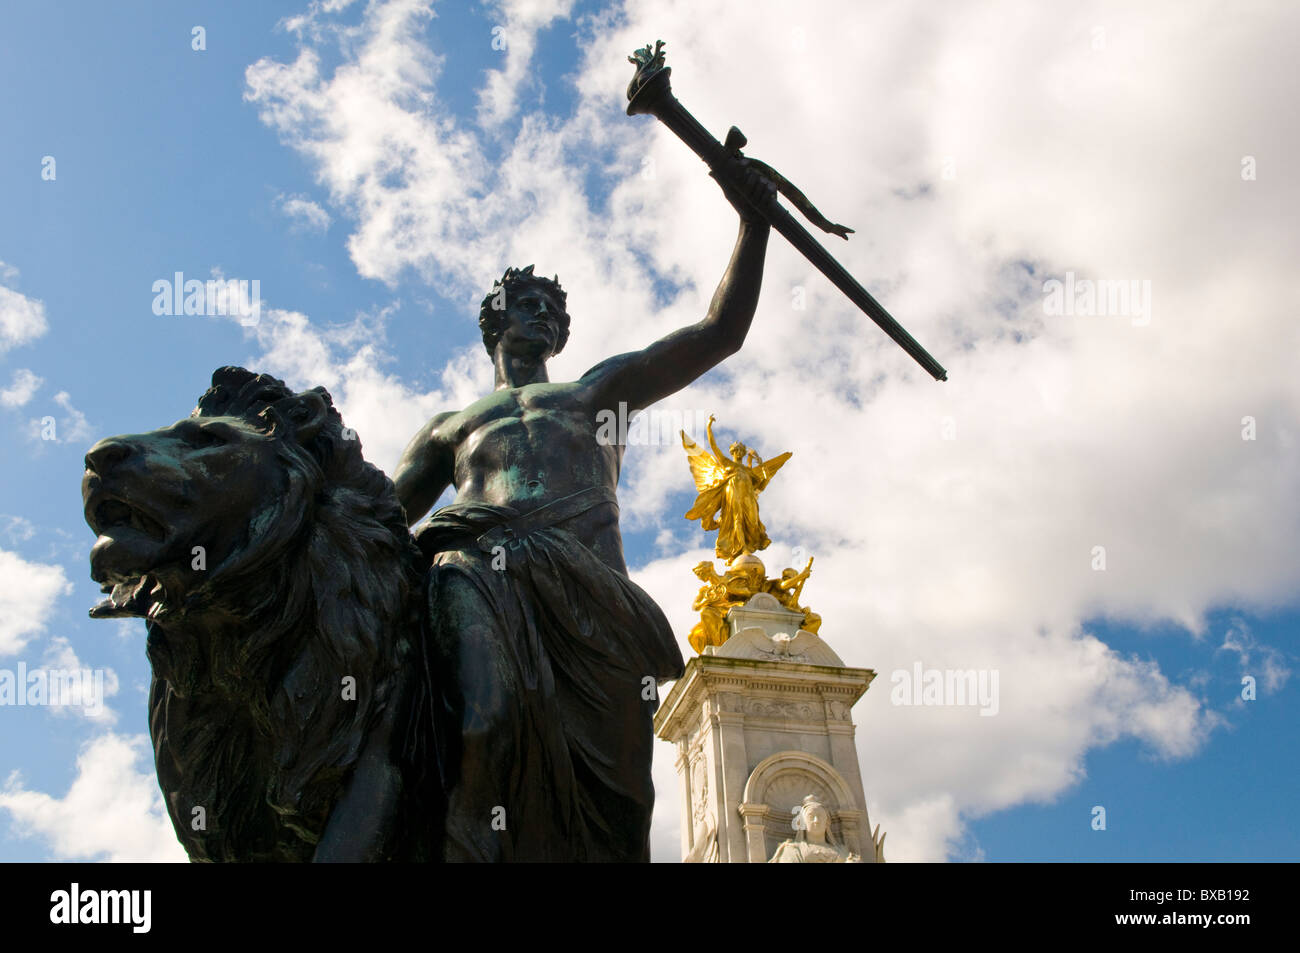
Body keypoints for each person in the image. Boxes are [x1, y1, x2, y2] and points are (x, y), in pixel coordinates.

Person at [393, 163, 776, 861]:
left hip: (594, 601)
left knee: (624, 799)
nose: (543, 312)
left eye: (553, 309)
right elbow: (378, 524)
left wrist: (754, 224)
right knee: (485, 719)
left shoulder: (596, 395)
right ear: (495, 320)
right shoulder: (450, 428)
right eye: (527, 301)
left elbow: (719, 331)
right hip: (481, 577)